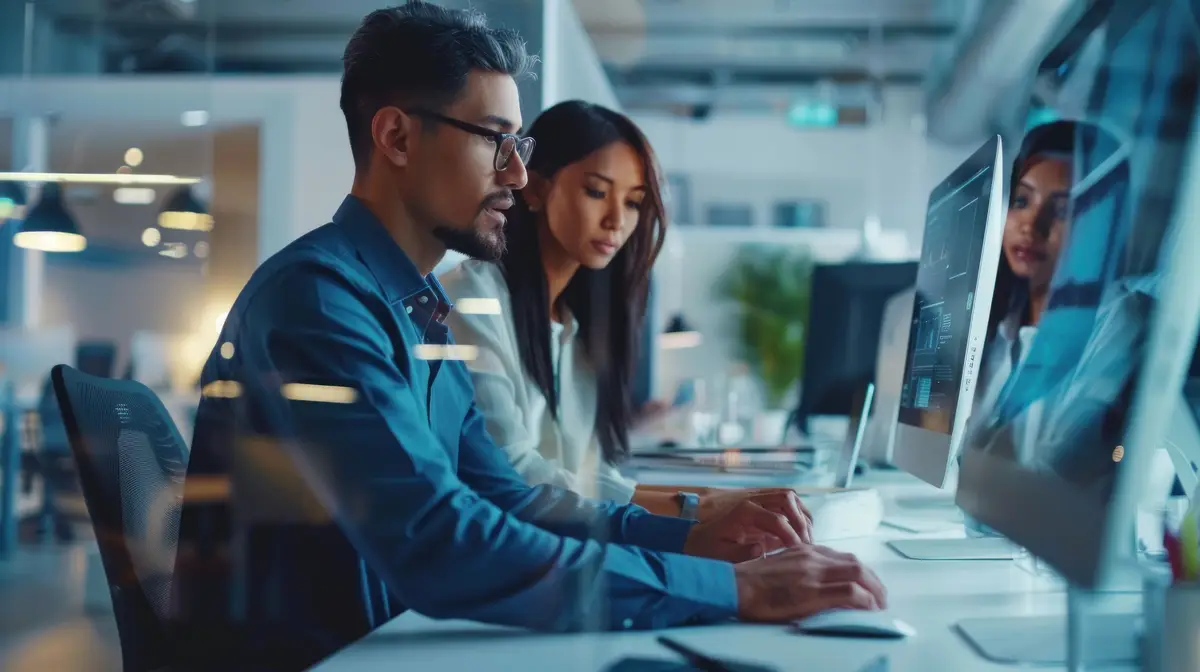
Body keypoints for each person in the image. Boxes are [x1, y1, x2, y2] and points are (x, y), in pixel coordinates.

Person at [168, 3, 886, 670]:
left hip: (392, 643)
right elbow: (439, 539)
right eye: (495, 141)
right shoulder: (319, 303)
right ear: (395, 136)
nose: (517, 173)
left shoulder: (414, 309)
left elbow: (509, 498)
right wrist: (732, 592)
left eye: (520, 144)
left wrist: (692, 538)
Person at [440, 100, 808, 523]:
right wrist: (697, 507)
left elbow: (584, 475)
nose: (617, 220)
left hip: (563, 547)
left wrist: (714, 497)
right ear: (537, 190)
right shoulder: (474, 301)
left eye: (633, 202)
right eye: (597, 192)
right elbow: (515, 476)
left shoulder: (576, 323)